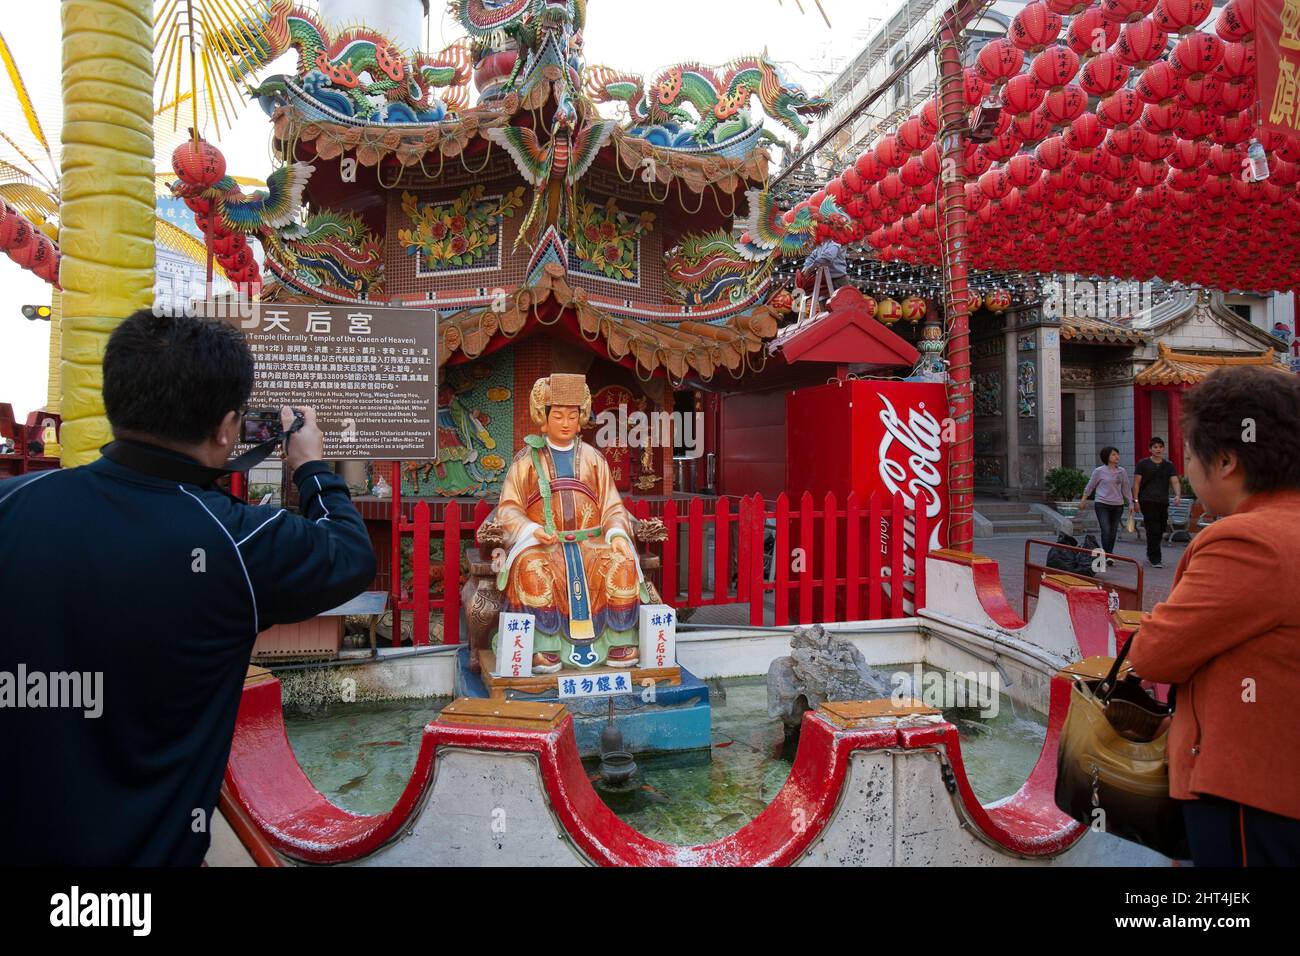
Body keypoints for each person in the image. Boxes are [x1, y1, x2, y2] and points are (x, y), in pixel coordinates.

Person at [0, 310, 376, 866]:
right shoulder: (236, 543)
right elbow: (350, 554)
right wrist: (311, 467)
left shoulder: (14, 502)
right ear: (227, 428)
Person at [1128, 366, 1300, 865]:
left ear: (1225, 461)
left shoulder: (1248, 541)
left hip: (1251, 791)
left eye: (1192, 455)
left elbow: (1156, 654)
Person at [494, 374, 645, 673]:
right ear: (544, 418)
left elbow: (613, 505)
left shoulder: (594, 459)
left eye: (572, 416)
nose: (565, 423)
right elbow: (509, 509)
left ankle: (619, 640)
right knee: (532, 566)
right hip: (545, 545)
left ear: (581, 420)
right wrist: (531, 530)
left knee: (621, 561)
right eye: (558, 415)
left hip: (591, 544)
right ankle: (543, 646)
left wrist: (615, 534)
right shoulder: (526, 460)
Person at [1078, 446, 1134, 565]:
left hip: (1117, 505)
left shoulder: (1122, 471)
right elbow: (1090, 486)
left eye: (1117, 454)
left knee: (1113, 531)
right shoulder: (1099, 471)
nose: (1117, 457)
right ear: (1107, 457)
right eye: (1113, 454)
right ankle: (1107, 555)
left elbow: (1126, 488)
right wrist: (1083, 499)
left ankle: (1108, 553)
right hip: (1102, 504)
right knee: (1106, 529)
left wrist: (1131, 503)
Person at [1133, 436, 1183, 568]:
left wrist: (1177, 495)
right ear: (1150, 449)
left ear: (1163, 449)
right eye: (1155, 447)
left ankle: (1151, 551)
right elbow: (1137, 483)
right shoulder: (1142, 464)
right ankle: (1156, 558)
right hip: (1147, 500)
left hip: (1162, 501)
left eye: (1160, 447)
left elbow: (1175, 481)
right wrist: (1136, 500)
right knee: (1152, 528)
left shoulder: (1169, 465)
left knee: (1160, 528)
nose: (1158, 449)